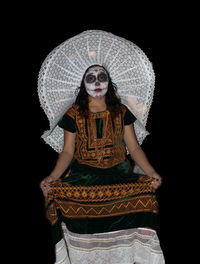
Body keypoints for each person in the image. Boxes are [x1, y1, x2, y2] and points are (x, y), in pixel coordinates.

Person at [38, 30, 165, 263]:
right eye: (91, 78)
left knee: (146, 198)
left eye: (101, 77)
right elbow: (67, 151)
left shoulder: (122, 111)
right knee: (68, 203)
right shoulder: (72, 114)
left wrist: (152, 173)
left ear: (110, 81)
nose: (97, 83)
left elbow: (134, 149)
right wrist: (53, 177)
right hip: (83, 175)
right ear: (82, 83)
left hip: (118, 173)